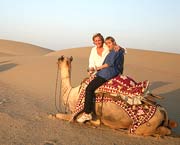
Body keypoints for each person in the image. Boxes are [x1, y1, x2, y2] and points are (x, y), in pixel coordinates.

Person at [77, 36, 125, 123]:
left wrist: (97, 68)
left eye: (109, 43)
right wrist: (91, 70)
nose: (108, 44)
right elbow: (91, 61)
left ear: (114, 42)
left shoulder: (114, 50)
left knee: (89, 89)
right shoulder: (98, 50)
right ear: (94, 42)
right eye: (96, 41)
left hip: (106, 73)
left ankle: (87, 113)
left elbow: (108, 64)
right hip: (102, 72)